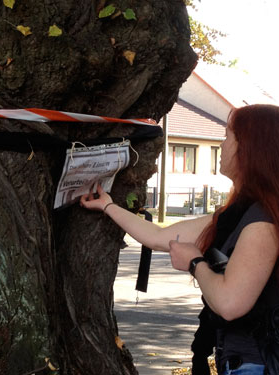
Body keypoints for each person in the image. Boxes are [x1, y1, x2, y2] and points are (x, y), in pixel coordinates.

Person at [80, 104, 279, 375]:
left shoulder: (263, 223)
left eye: (227, 136)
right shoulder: (238, 214)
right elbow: (159, 237)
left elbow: (230, 303)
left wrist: (196, 263)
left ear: (249, 148)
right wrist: (107, 206)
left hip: (257, 364)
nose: (222, 145)